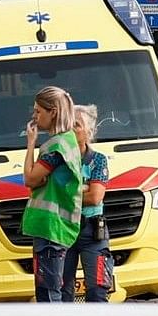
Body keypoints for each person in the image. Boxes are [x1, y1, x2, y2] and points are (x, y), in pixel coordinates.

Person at [21, 87, 85, 302]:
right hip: (60, 228)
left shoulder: (55, 146)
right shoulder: (69, 141)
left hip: (51, 227)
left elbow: (30, 179)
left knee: (49, 293)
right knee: (61, 290)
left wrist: (30, 144)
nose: (35, 117)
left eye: (38, 111)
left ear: (53, 112)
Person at [71, 97, 115, 303]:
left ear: (89, 132)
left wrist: (66, 194)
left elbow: (95, 197)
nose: (71, 130)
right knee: (61, 291)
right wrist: (83, 190)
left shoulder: (98, 160)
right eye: (67, 125)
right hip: (64, 230)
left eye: (77, 125)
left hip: (92, 231)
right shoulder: (57, 159)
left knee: (98, 289)